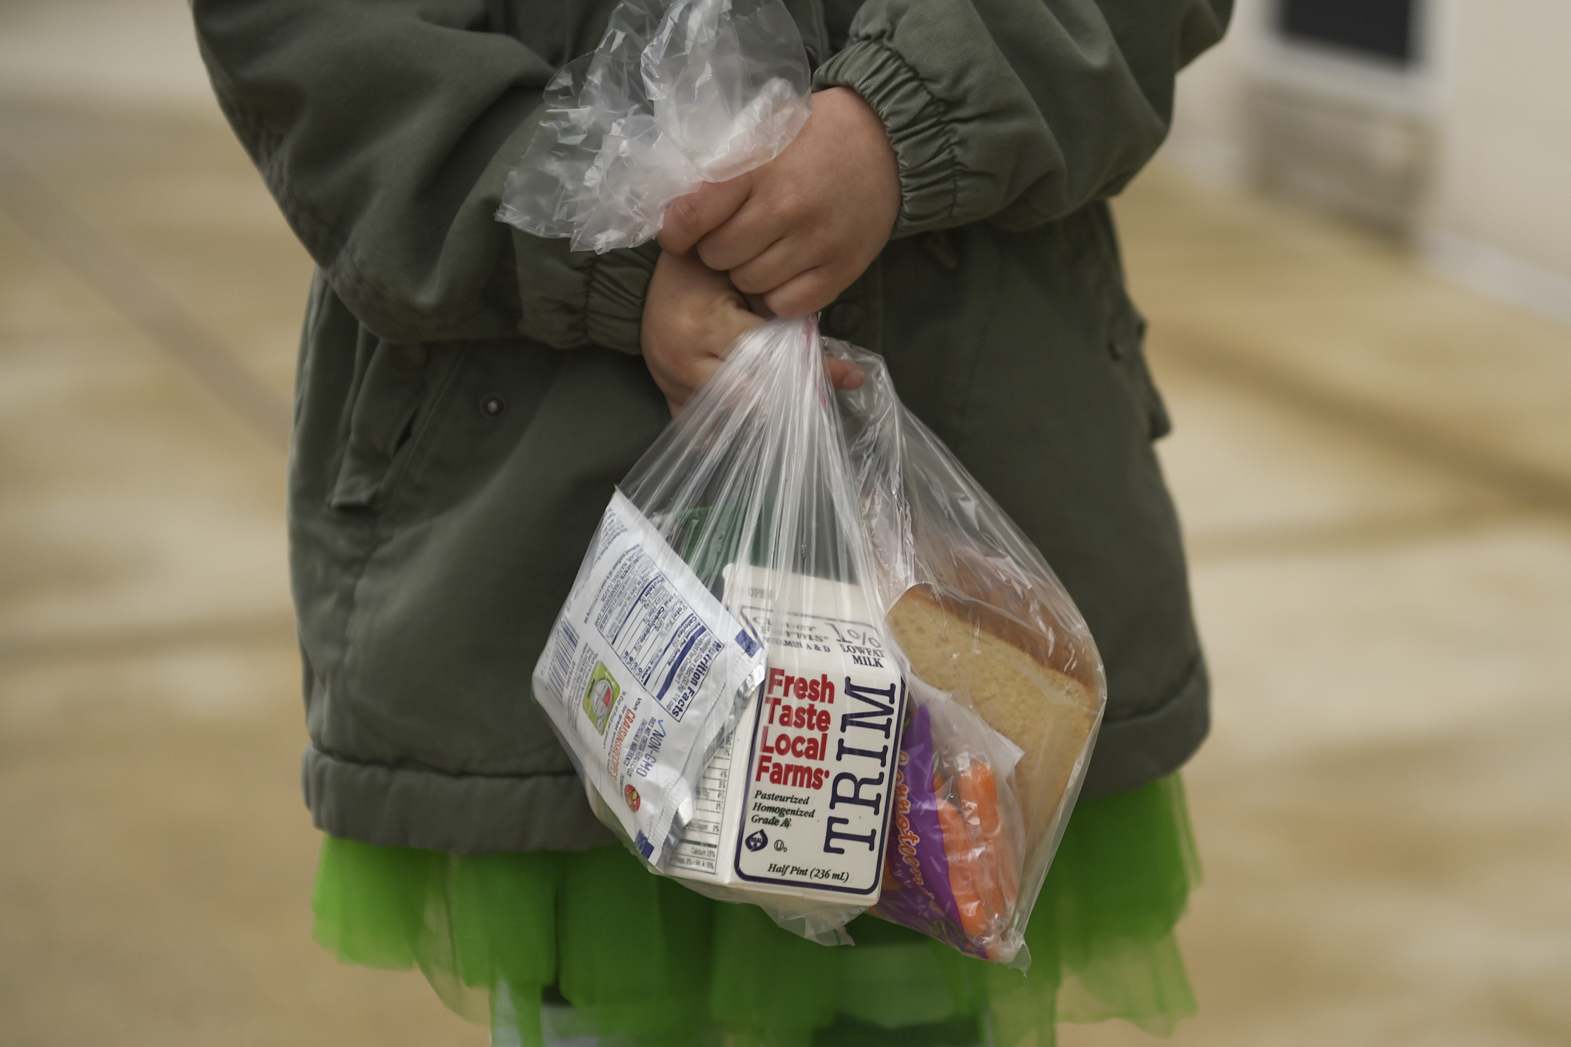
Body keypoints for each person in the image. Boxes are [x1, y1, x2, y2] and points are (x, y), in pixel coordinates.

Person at [193, 0, 1230, 1044]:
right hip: (551, 503)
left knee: (924, 968)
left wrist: (900, 123)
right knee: (614, 995)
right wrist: (599, 242)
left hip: (970, 446)